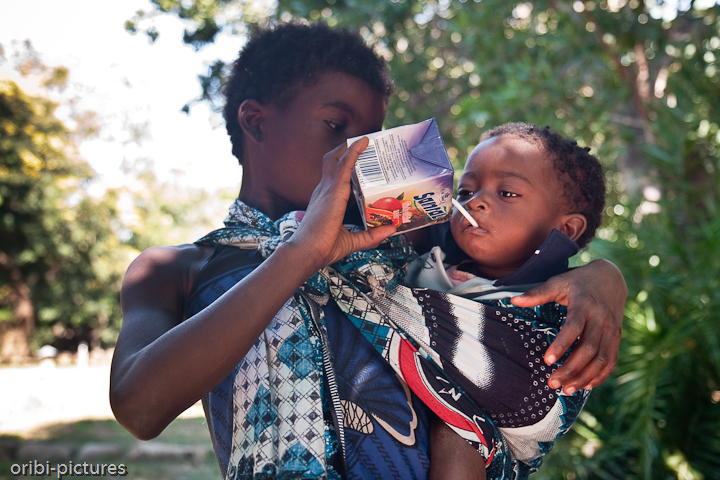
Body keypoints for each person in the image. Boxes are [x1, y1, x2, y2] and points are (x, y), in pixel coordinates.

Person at [109, 22, 626, 479]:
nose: (362, 152)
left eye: (373, 135)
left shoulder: (403, 237)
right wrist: (304, 251)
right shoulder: (177, 269)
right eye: (337, 126)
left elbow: (518, 256)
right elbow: (140, 407)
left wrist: (602, 275)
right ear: (255, 121)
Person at [401, 122, 606, 478]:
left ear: (567, 229)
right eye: (464, 190)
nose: (474, 202)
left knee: (459, 433)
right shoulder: (425, 254)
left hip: (480, 445)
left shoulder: (557, 310)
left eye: (507, 193)